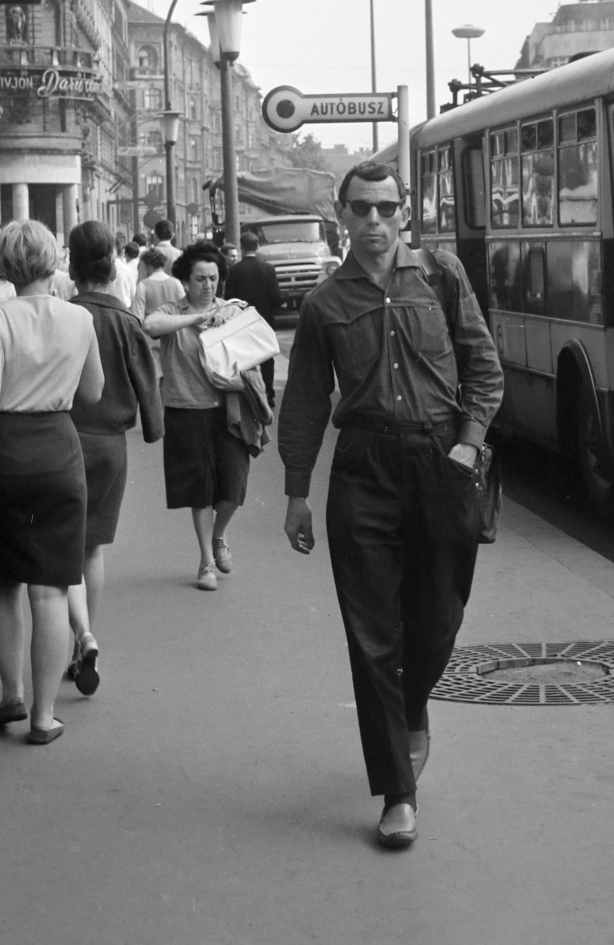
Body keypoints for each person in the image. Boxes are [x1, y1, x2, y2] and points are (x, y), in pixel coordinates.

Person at [279, 162, 503, 850]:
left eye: (386, 209)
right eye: (361, 210)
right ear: (340, 216)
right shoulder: (325, 303)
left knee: (438, 620)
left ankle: (411, 711)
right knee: (372, 632)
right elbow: (309, 401)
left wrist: (467, 444)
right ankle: (397, 793)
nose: (374, 222)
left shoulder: (440, 276)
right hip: (364, 469)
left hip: (440, 462)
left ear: (404, 213)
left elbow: (484, 367)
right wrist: (296, 492)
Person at [0, 219, 103, 745]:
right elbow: (94, 393)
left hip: (2, 453)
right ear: (52, 259)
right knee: (52, 588)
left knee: (5, 578)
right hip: (59, 452)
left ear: (3, 264)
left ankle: (11, 693)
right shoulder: (79, 317)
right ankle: (44, 717)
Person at [64, 221, 163, 694]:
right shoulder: (127, 322)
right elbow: (149, 383)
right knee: (93, 548)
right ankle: (80, 642)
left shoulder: (64, 315)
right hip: (110, 446)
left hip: (62, 439)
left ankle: (78, 636)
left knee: (59, 545)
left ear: (72, 265)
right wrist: (154, 427)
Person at [143, 242, 252, 591]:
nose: (208, 286)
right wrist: (196, 319)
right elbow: (151, 325)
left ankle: (219, 536)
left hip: (228, 412)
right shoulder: (174, 310)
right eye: (200, 279)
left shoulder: (231, 310)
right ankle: (206, 561)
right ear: (186, 282)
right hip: (186, 410)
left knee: (234, 487)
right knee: (200, 491)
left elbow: (254, 347)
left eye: (214, 278)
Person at [222, 230, 283, 407]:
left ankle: (250, 392)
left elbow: (229, 299)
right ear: (257, 246)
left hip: (242, 320)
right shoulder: (268, 268)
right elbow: (276, 297)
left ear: (241, 247)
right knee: (266, 357)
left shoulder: (234, 270)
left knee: (245, 357)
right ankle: (268, 394)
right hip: (263, 319)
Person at [133, 246, 185, 321]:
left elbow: (138, 316)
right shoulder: (176, 283)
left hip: (151, 330)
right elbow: (184, 310)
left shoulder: (143, 285)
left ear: (147, 265)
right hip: (174, 328)